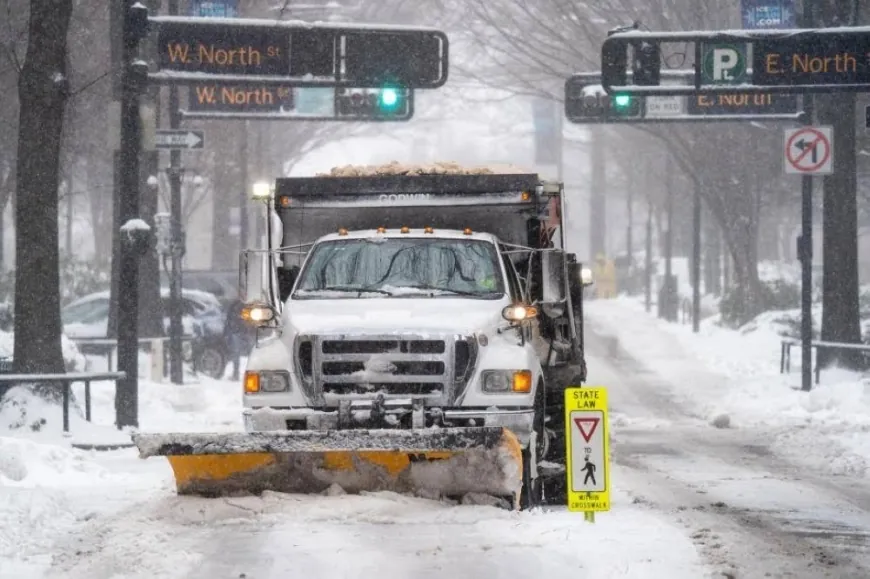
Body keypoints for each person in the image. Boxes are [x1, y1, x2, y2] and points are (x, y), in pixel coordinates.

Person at [224, 298, 254, 381]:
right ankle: (246, 374)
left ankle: (238, 374)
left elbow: (229, 319)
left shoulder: (236, 305)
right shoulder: (243, 305)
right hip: (242, 332)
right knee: (249, 354)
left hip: (239, 332)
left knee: (237, 354)